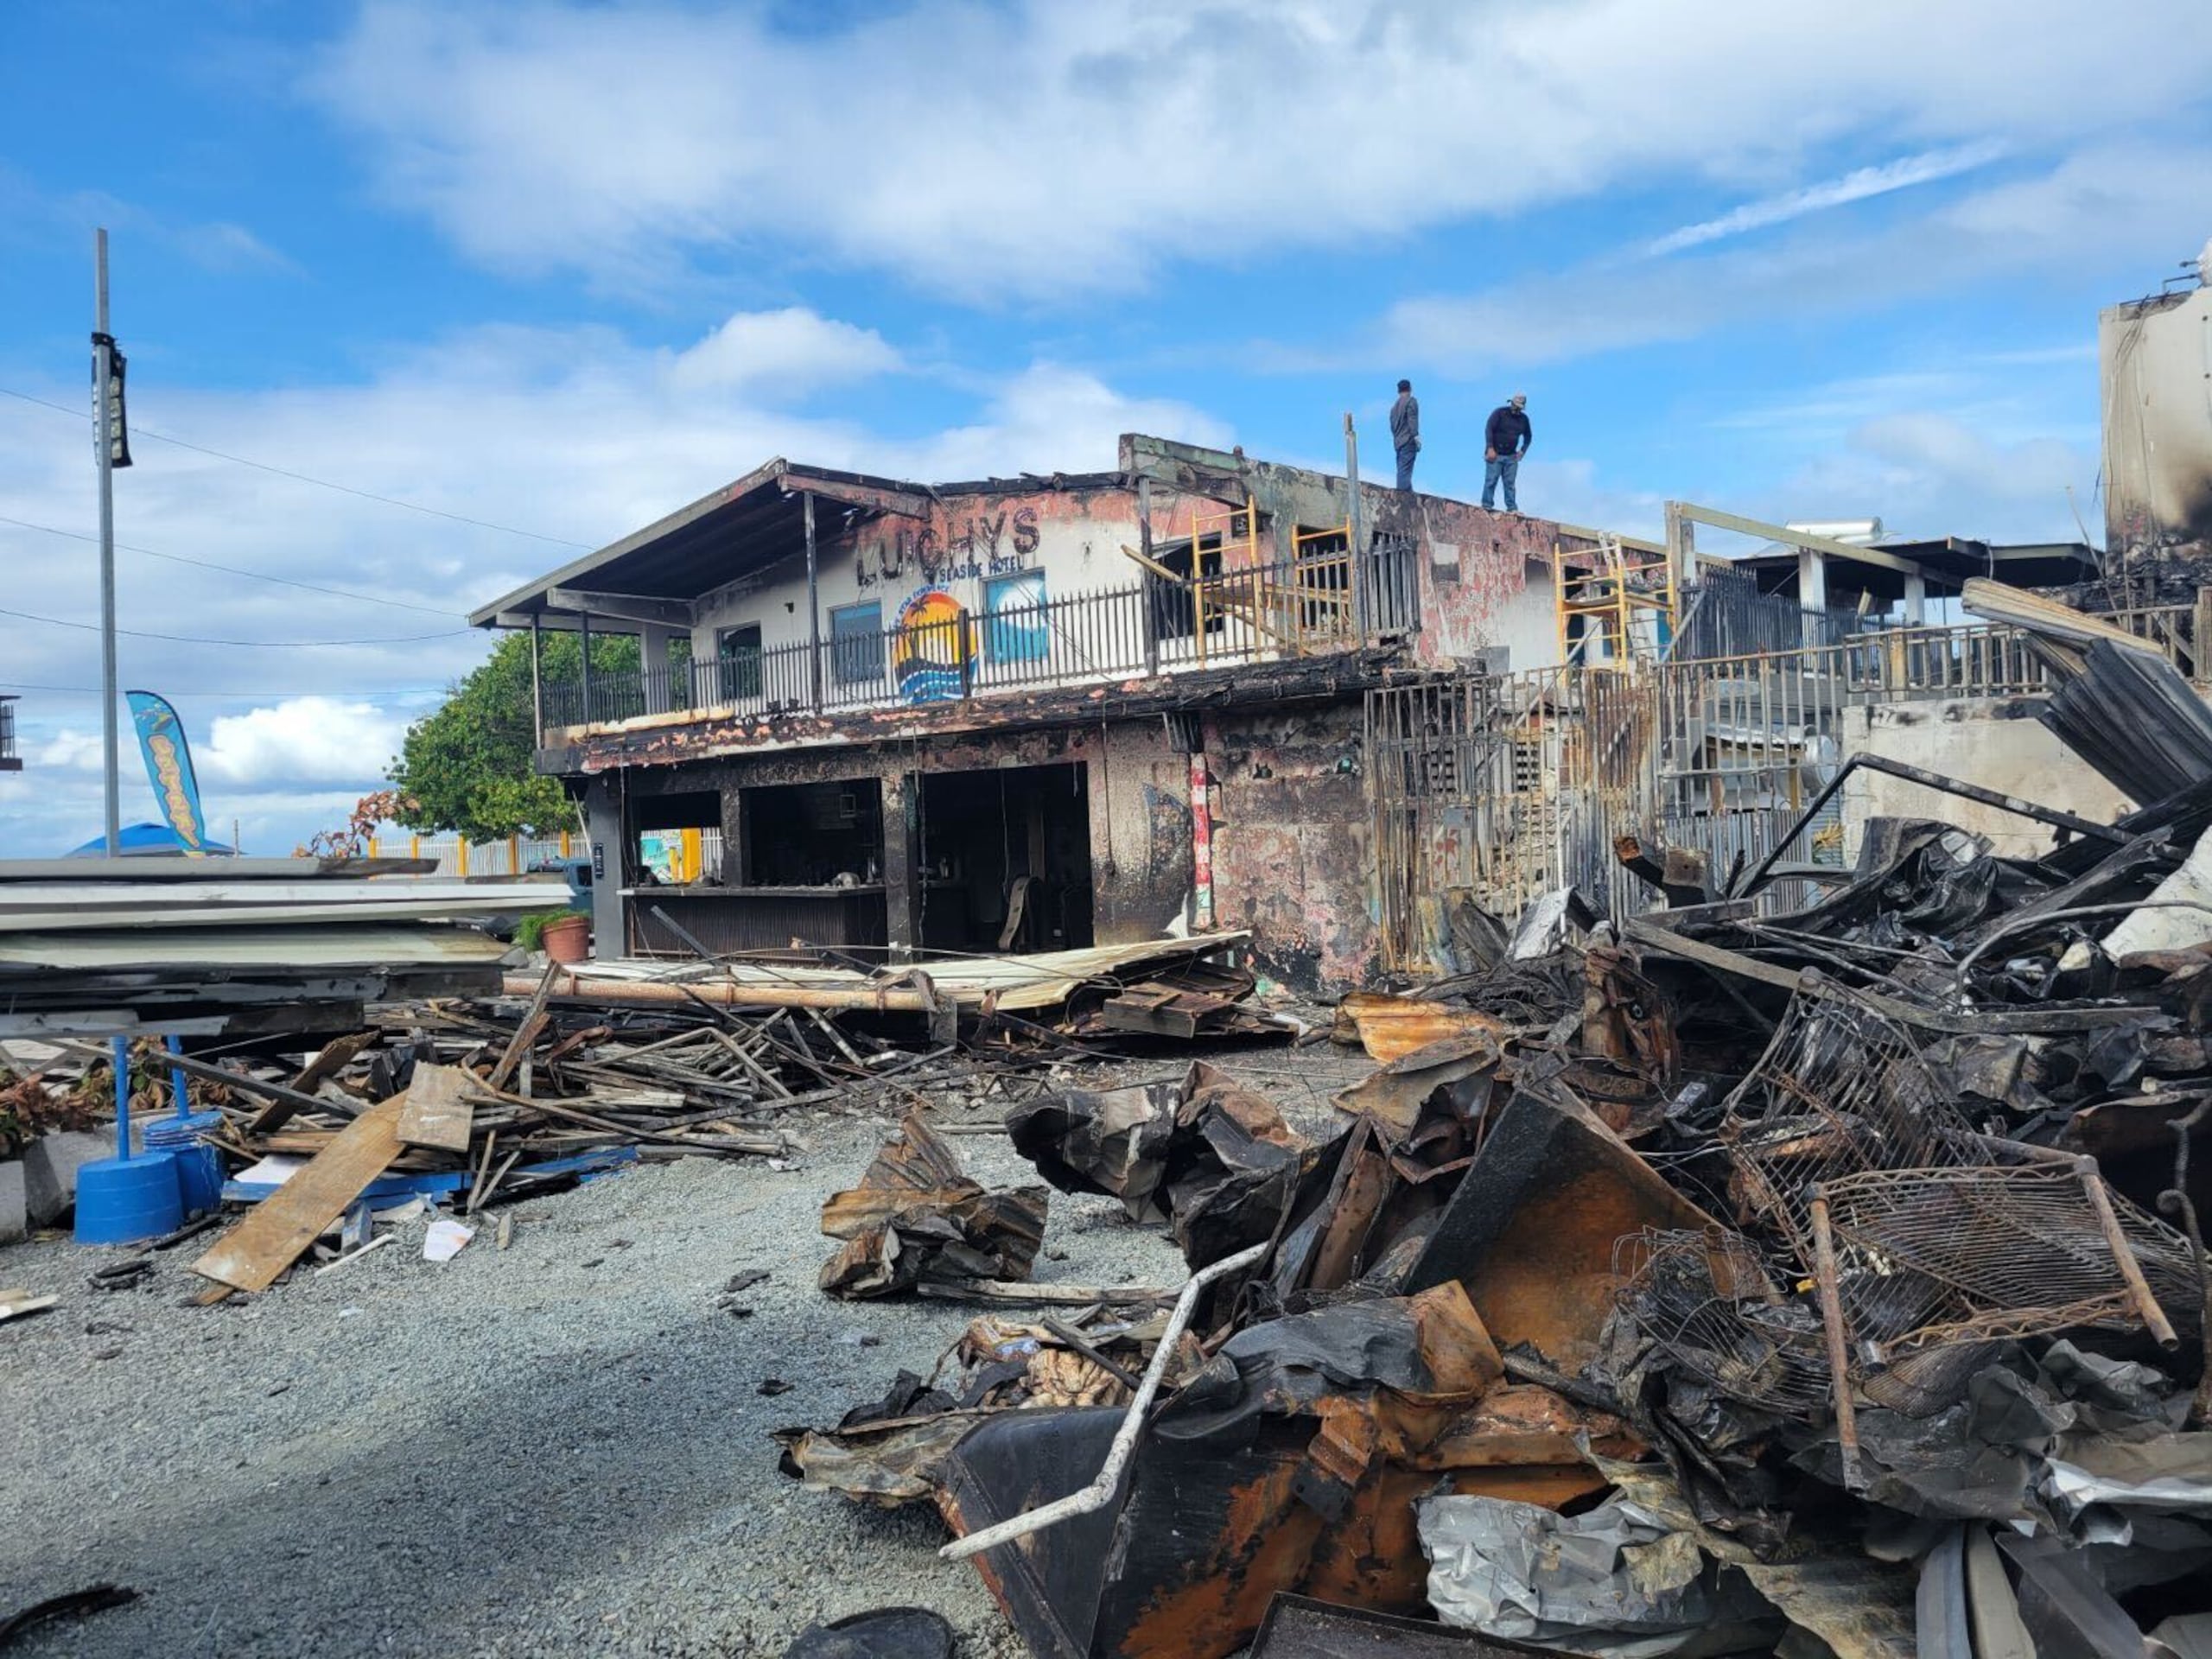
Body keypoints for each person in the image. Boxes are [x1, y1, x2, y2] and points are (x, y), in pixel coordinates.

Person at [1483, 392, 1531, 512]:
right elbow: (1489, 428)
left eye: (1519, 407)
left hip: (1511, 456)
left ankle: (1511, 507)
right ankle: (1487, 505)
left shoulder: (1524, 420)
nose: (1517, 409)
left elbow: (1528, 436)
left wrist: (1522, 451)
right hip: (1495, 453)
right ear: (1512, 403)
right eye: (1516, 405)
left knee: (1510, 483)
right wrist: (1490, 448)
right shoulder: (1500, 413)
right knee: (1491, 480)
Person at [1389, 378, 1420, 491]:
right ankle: (1403, 497)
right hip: (1408, 440)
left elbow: (1393, 427)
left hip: (1398, 442)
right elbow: (1412, 421)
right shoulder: (1411, 402)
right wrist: (1416, 437)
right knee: (1405, 472)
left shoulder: (1394, 408)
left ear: (1399, 391)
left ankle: (1408, 493)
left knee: (1402, 470)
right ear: (1410, 389)